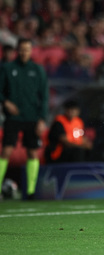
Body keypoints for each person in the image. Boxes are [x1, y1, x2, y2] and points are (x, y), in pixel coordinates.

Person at [0, 38, 48, 199]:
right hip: (13, 117)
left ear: (31, 50)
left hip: (32, 117)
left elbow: (44, 96)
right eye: (21, 49)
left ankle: (31, 191)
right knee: (6, 150)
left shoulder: (38, 70)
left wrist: (42, 118)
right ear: (17, 50)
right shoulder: (7, 68)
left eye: (27, 49)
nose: (24, 52)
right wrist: (6, 102)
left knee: (33, 153)